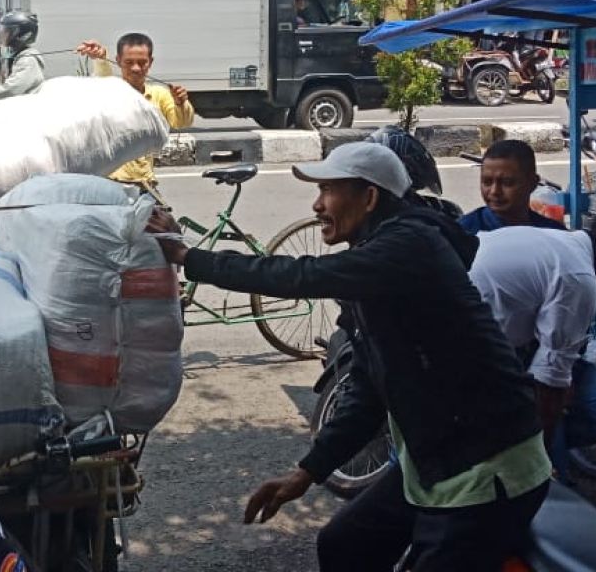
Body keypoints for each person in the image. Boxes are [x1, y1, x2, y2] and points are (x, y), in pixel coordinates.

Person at [148, 142, 549, 572]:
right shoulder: (374, 264)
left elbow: (301, 275)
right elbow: (368, 384)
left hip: (485, 465)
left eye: (328, 190)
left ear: (370, 197)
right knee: (346, 544)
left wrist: (189, 256)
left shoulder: (407, 245)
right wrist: (308, 472)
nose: (317, 205)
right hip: (436, 454)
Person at [468, 217, 596, 478]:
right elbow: (548, 385)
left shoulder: (561, 244)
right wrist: (540, 461)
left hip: (516, 353)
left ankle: (515, 444)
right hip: (484, 364)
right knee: (552, 481)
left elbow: (554, 371)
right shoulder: (579, 278)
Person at [76, 33, 195, 189]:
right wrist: (100, 58)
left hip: (145, 184)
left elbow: (181, 122)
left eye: (142, 62)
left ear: (150, 62)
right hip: (109, 183)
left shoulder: (159, 94)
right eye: (129, 62)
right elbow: (103, 79)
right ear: (118, 61)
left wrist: (181, 102)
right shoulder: (110, 90)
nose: (136, 68)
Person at [459, 140, 566, 233]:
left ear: (532, 183)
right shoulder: (463, 232)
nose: (494, 191)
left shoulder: (554, 234)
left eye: (507, 183)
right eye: (487, 182)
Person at [0, 10, 45, 104]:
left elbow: (12, 89)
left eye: (6, 32)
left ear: (21, 35)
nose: (2, 35)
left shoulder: (28, 60)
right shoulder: (17, 55)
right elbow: (6, 86)